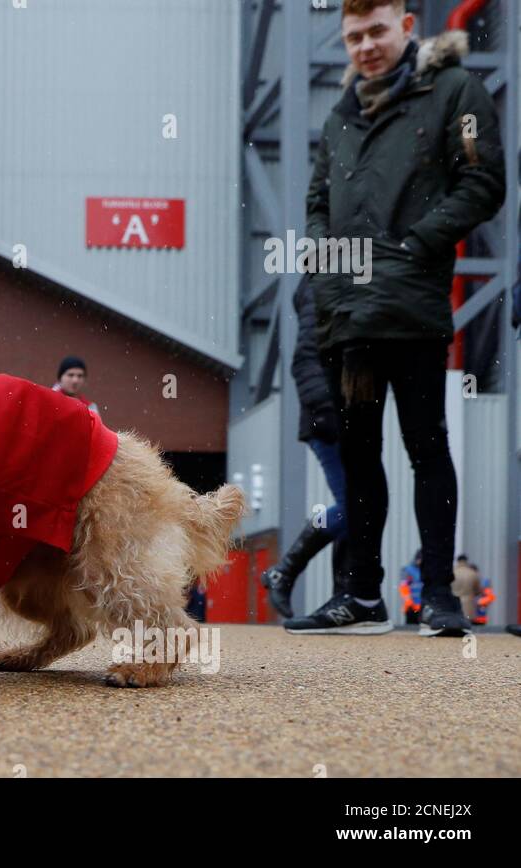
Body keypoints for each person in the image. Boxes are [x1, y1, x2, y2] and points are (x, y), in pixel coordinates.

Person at [290, 0, 505, 636]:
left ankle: (438, 595)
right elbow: (316, 200)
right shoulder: (340, 116)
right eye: (354, 36)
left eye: (377, 31)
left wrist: (413, 246)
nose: (365, 46)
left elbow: (482, 182)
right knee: (358, 458)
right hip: (347, 318)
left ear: (407, 28)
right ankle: (361, 598)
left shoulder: (456, 91)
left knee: (426, 446)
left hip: (411, 307)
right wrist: (327, 266)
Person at [262, 277, 347, 618]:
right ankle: (285, 570)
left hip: (341, 415)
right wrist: (325, 408)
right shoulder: (324, 282)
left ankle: (347, 593)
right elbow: (306, 358)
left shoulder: (333, 279)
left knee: (360, 508)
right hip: (328, 417)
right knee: (356, 507)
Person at [398, 550, 423, 626]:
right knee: (411, 629)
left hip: (423, 606)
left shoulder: (426, 570)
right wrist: (409, 602)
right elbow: (404, 587)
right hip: (411, 607)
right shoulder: (408, 571)